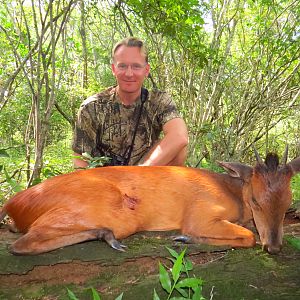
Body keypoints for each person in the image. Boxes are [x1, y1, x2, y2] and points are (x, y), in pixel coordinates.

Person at [72, 37, 188, 168]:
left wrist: (138, 173)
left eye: (136, 66)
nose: (129, 73)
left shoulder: (158, 100)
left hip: (146, 175)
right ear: (113, 69)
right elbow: (80, 160)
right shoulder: (92, 107)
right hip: (105, 181)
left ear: (146, 70)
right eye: (122, 66)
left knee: (179, 150)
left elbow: (179, 136)